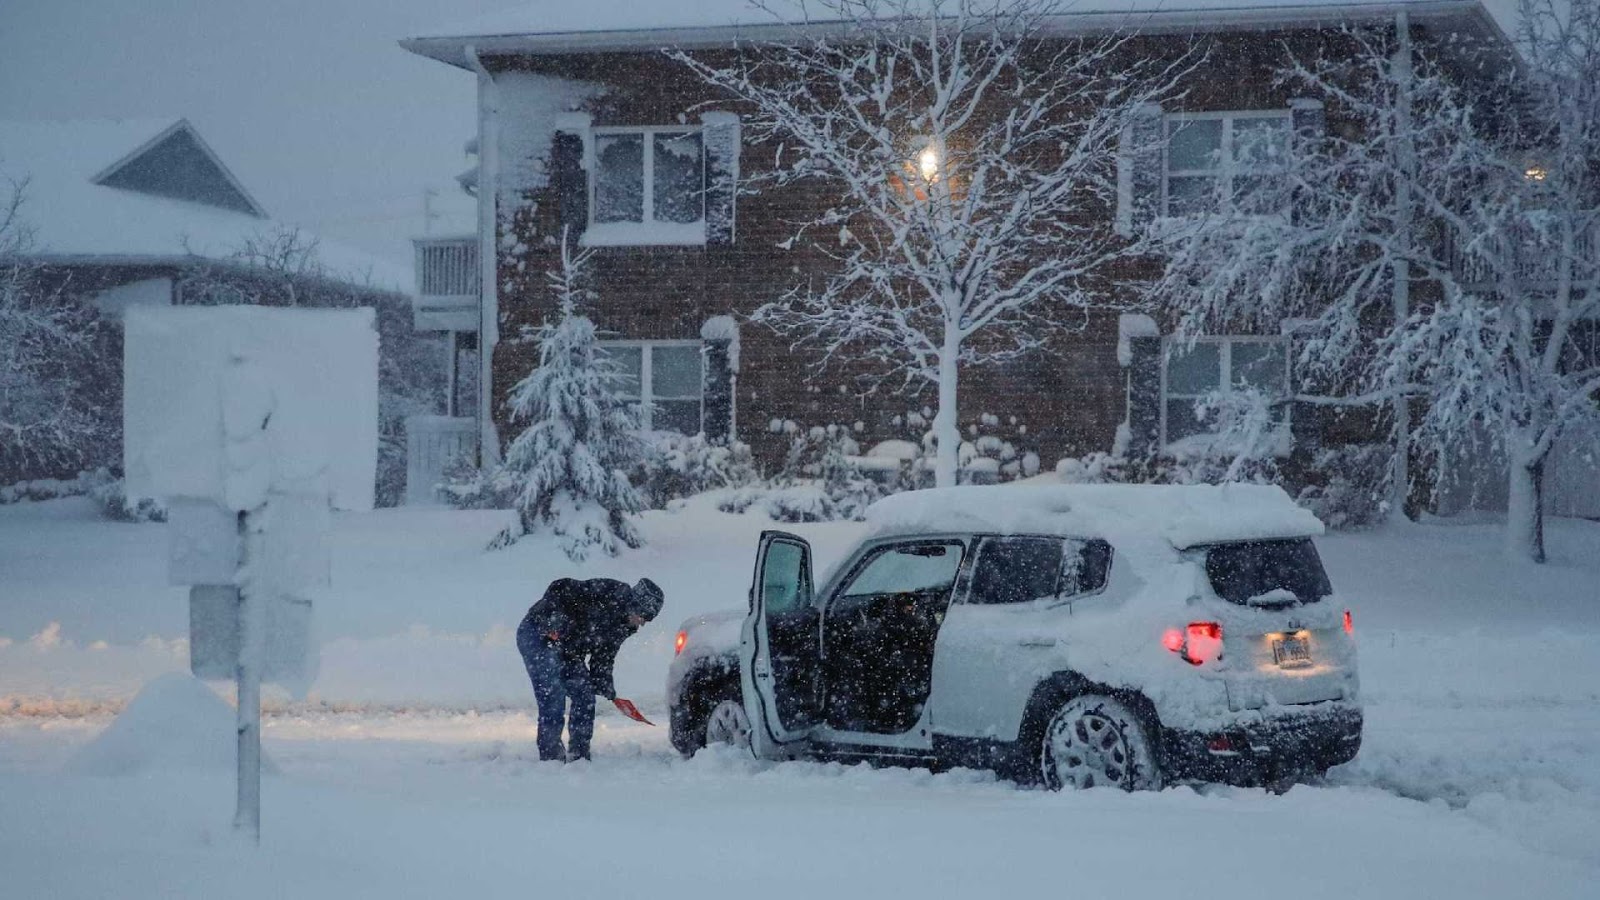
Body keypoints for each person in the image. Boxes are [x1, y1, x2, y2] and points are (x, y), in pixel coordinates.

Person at [516, 576, 665, 761]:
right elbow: (560, 586)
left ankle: (579, 755)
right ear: (635, 604)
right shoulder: (610, 592)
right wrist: (554, 620)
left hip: (568, 649)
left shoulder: (624, 626)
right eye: (644, 616)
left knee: (585, 695)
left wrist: (606, 687)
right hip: (539, 634)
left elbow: (604, 657)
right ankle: (551, 756)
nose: (642, 623)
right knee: (553, 695)